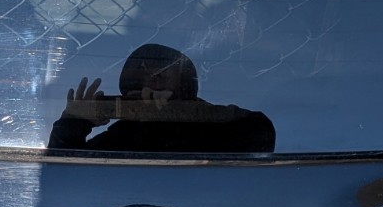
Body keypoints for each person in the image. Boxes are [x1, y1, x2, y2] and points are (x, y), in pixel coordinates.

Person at [47, 43, 275, 153]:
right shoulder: (123, 136)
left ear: (185, 82)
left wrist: (176, 112)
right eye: (140, 78)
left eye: (161, 74)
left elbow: (260, 132)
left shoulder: (223, 128)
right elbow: (64, 174)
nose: (151, 82)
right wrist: (73, 123)